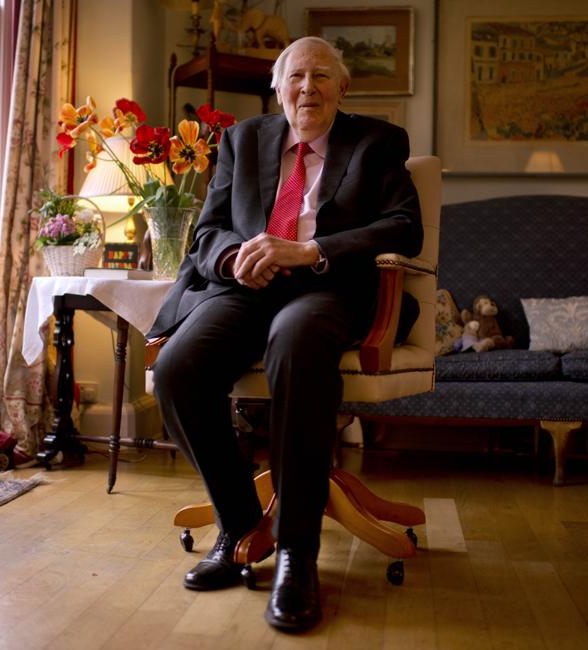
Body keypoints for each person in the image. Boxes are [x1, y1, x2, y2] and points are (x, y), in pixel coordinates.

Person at [147, 36, 422, 632]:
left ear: (343, 88)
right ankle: (243, 525)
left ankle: (299, 552)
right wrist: (235, 258)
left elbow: (405, 226)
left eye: (322, 76)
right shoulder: (243, 140)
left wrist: (308, 250)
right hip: (247, 288)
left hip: (327, 289)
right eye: (296, 76)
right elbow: (209, 230)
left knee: (295, 343)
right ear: (278, 89)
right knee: (177, 370)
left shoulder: (377, 142)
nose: (308, 88)